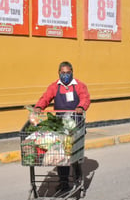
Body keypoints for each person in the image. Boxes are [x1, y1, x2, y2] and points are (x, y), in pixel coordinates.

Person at [34, 61, 90, 191]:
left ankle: (77, 176)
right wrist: (38, 107)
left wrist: (81, 107)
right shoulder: (54, 87)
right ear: (59, 73)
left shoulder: (79, 86)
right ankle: (64, 182)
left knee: (74, 153)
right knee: (61, 154)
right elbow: (45, 98)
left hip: (75, 124)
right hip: (60, 126)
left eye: (68, 73)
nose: (65, 75)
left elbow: (85, 98)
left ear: (72, 72)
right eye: (63, 73)